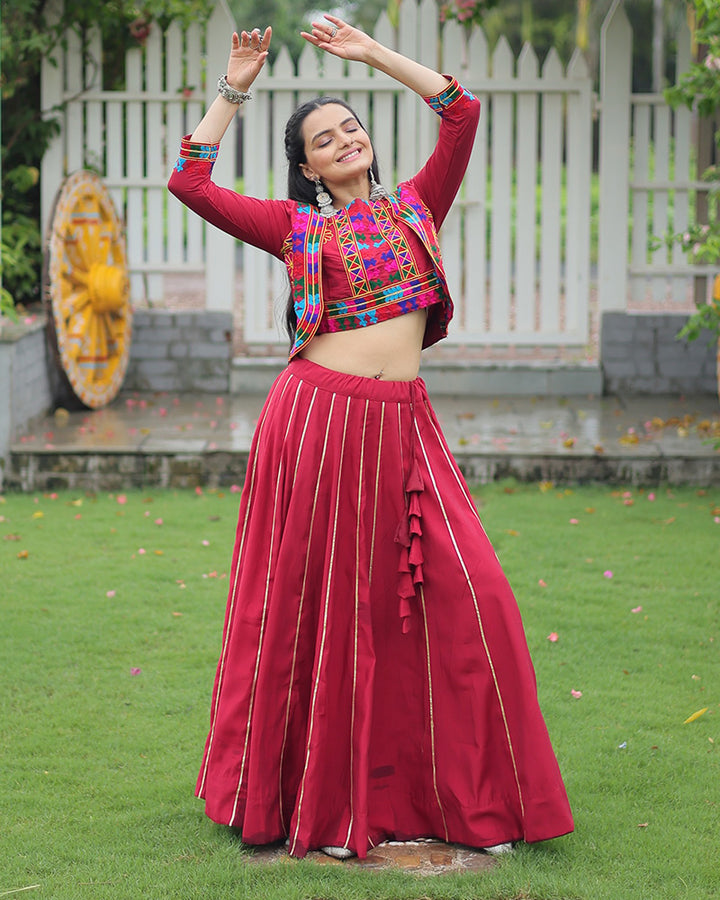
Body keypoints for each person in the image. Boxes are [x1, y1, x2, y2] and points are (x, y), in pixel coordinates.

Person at [168, 14, 573, 861]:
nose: (345, 140)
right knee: (324, 613)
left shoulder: (417, 204)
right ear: (308, 168)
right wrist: (235, 87)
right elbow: (191, 184)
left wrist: (372, 54)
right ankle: (314, 802)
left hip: (403, 425)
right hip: (318, 423)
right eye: (325, 139)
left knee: (473, 594)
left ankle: (469, 801)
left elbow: (460, 112)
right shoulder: (295, 227)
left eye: (351, 127)